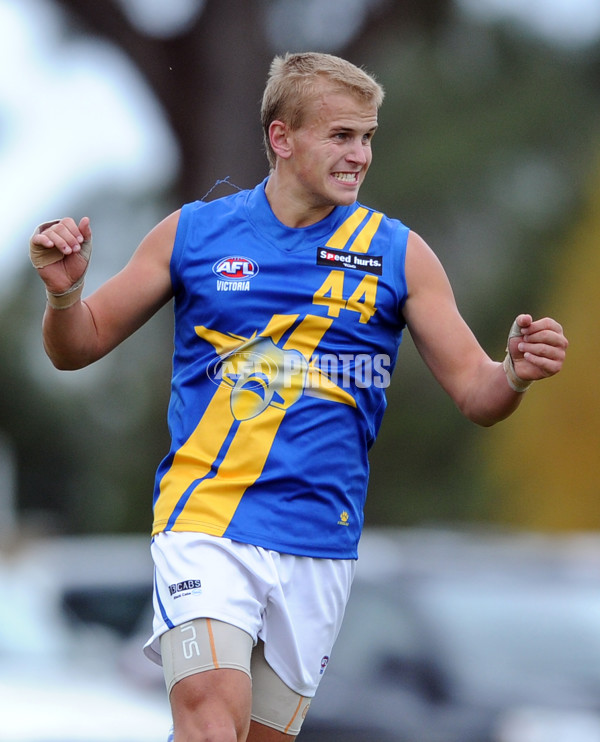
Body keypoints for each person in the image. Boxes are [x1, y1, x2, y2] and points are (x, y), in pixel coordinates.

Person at [30, 52, 568, 742]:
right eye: (341, 135)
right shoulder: (193, 234)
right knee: (208, 720)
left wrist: (516, 372)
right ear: (282, 138)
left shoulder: (399, 255)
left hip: (319, 543)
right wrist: (66, 292)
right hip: (207, 523)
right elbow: (78, 346)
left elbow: (476, 392)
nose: (359, 155)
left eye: (368, 137)